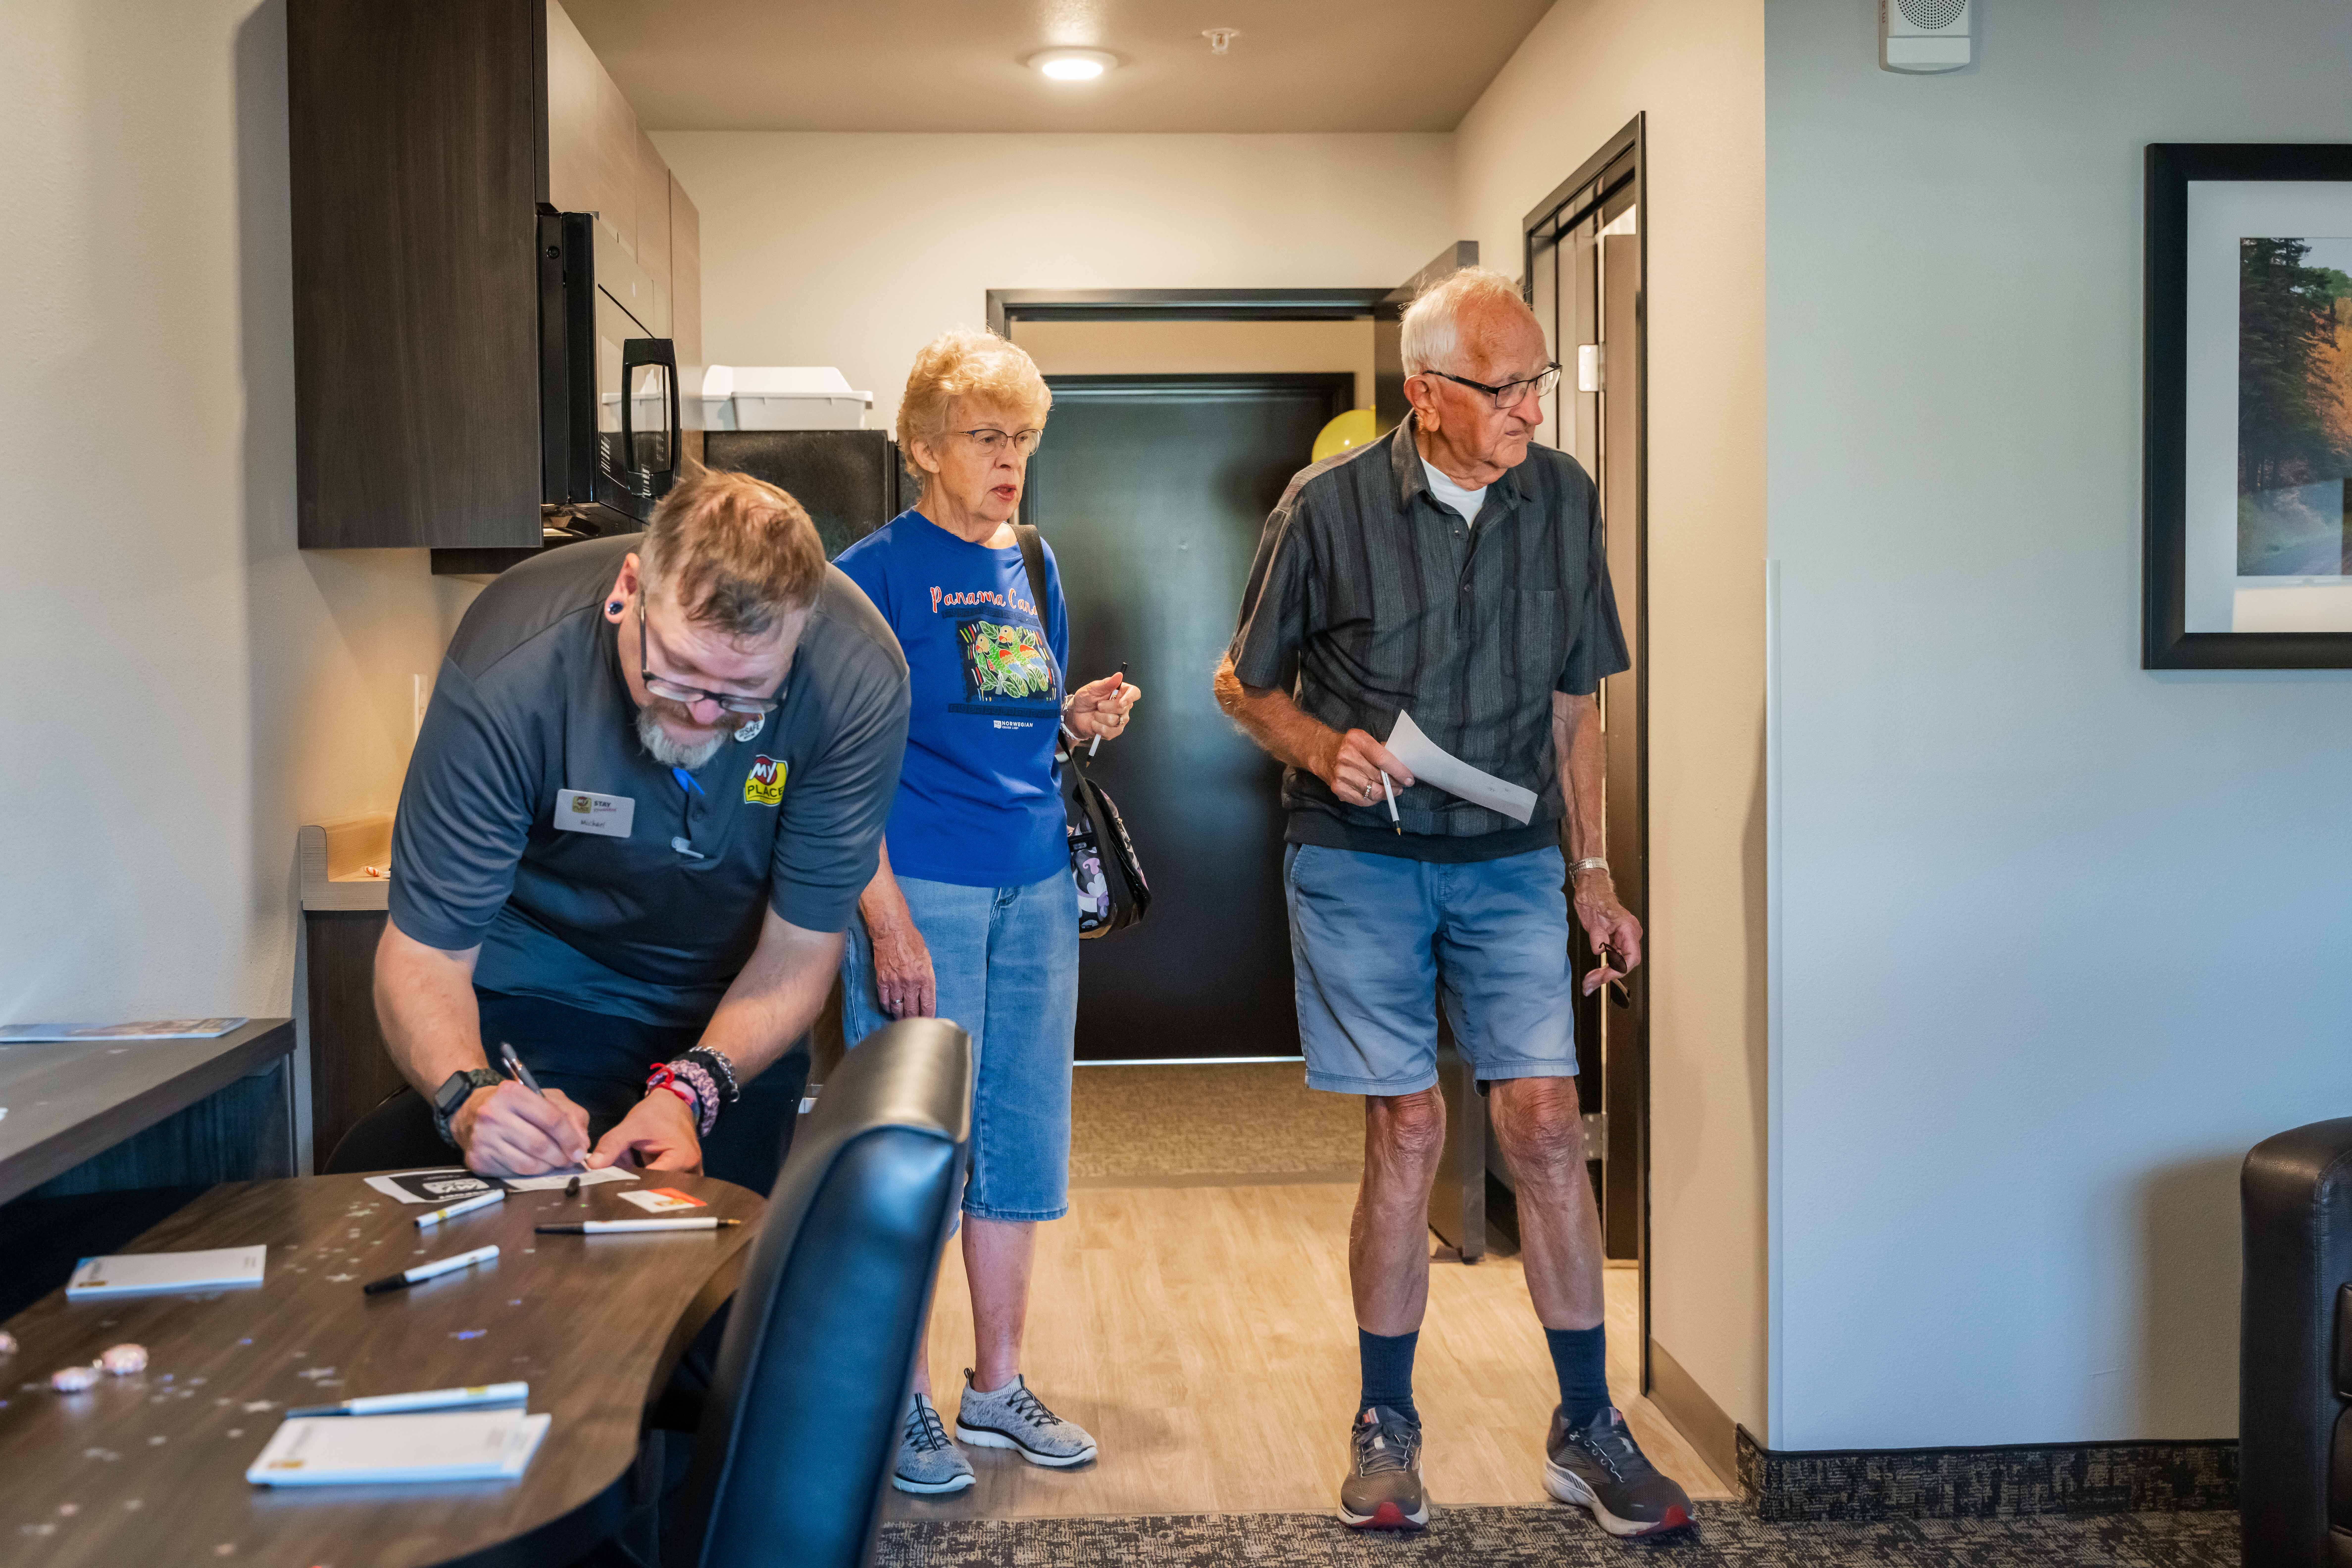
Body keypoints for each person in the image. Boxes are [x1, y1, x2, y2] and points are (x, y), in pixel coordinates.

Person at [1212, 269, 1694, 1540]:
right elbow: (1242, 685)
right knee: (1412, 1132)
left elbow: (1576, 702)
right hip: (1361, 852)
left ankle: (1586, 1427)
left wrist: (1596, 872)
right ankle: (1386, 1425)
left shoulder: (1563, 499)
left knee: (1541, 1120)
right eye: (1505, 389)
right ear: (1427, 395)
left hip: (1511, 854)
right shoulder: (1325, 509)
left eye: (1538, 383)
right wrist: (1325, 750)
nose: (1532, 410)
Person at [372, 465, 910, 1194]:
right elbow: (424, 955)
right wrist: (469, 1096)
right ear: (628, 590)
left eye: (748, 695)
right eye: (679, 673)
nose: (704, 716)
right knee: (541, 1246)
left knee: (718, 1267)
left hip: (739, 1004)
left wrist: (689, 1091)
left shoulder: (859, 681)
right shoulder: (513, 661)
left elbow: (801, 949)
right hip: (543, 984)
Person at [833, 328, 1140, 1496]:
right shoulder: (871, 576)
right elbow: (833, 768)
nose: (1010, 461)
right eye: (986, 438)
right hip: (926, 894)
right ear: (922, 447)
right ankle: (904, 1400)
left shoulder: (1037, 566)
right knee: (919, 1152)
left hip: (1035, 889)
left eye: (1023, 440)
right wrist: (887, 922)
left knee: (1017, 1141)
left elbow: (1017, 720)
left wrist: (1077, 719)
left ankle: (994, 1385)